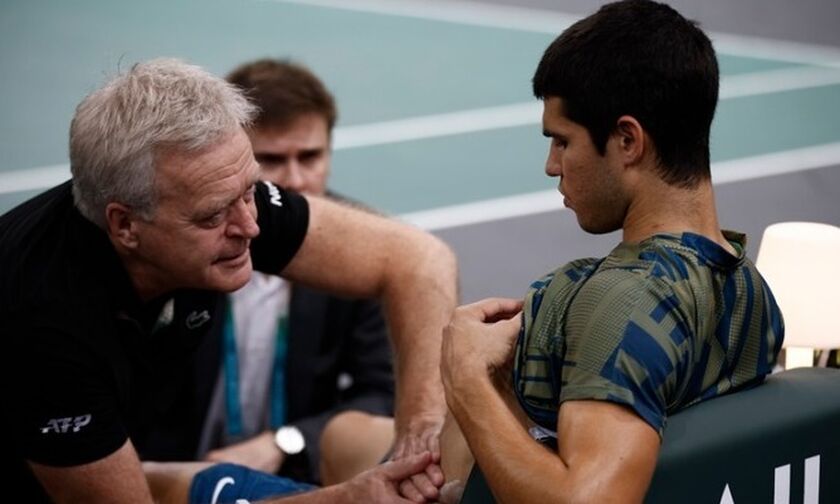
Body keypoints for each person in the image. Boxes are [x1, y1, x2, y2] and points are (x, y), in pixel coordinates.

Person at [1, 57, 456, 503]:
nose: (251, 228)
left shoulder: (215, 198)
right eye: (213, 215)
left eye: (249, 193)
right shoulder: (43, 317)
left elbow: (419, 258)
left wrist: (421, 431)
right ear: (125, 226)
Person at [437, 1, 785, 502]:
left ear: (627, 140)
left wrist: (466, 377)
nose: (551, 166)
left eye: (562, 142)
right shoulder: (753, 292)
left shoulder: (624, 303)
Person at [138, 58, 396, 487]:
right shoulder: (177, 238)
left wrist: (283, 442)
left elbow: (384, 393)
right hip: (170, 471)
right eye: (271, 160)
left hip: (294, 477)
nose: (295, 181)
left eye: (310, 156)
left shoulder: (371, 248)